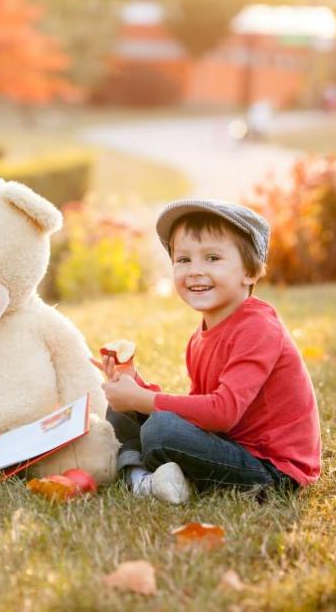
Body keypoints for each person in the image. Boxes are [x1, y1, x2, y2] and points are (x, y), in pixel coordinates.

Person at [95, 199, 321, 503]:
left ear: (250, 273)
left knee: (161, 429)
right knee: (121, 408)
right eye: (183, 259)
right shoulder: (199, 337)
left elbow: (222, 413)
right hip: (230, 446)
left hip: (272, 469)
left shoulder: (258, 327)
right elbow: (198, 411)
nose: (195, 271)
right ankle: (141, 480)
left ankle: (156, 476)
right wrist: (135, 385)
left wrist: (145, 399)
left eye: (212, 258)